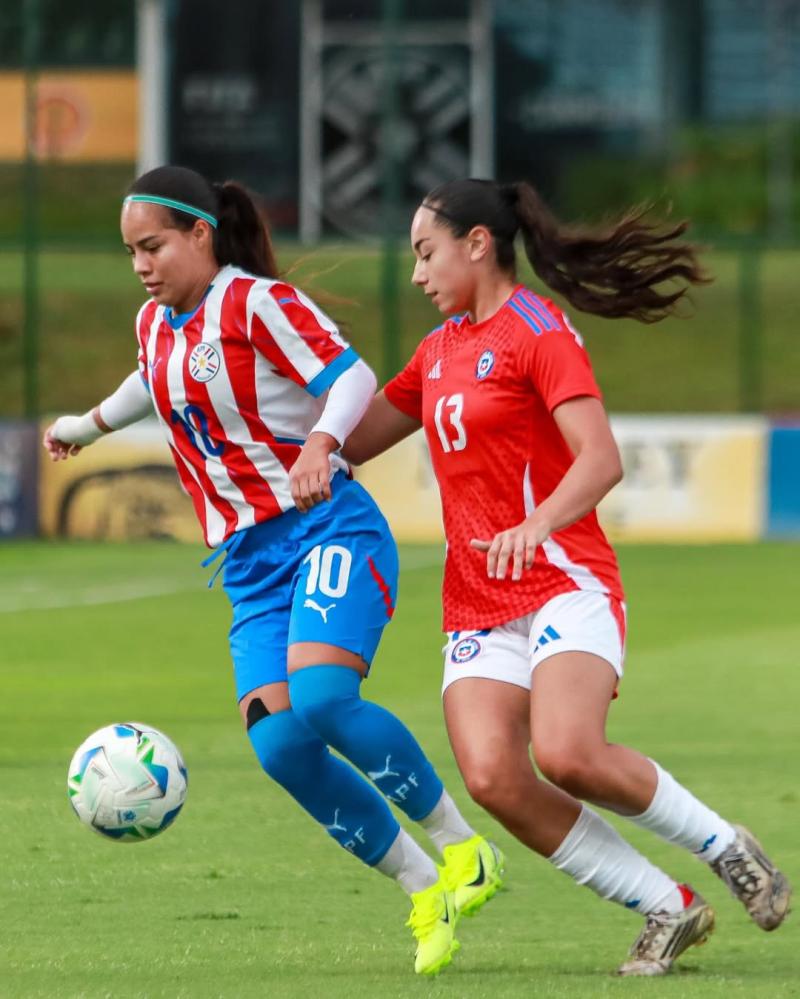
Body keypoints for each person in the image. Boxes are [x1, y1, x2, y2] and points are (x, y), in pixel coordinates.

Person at [42, 165, 506, 977]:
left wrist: (322, 444)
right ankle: (423, 886)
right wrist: (86, 424)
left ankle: (464, 847)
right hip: (250, 565)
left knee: (323, 698)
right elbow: (149, 380)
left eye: (153, 246)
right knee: (283, 745)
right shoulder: (155, 324)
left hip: (327, 528)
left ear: (200, 234)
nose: (142, 264)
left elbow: (352, 377)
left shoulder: (257, 303)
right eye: (131, 252)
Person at [341, 178, 791, 977]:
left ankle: (726, 846)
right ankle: (667, 904)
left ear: (478, 243)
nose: (417, 273)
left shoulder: (537, 331)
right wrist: (298, 431)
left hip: (562, 578)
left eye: (426, 252)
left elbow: (601, 457)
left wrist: (536, 523)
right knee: (492, 776)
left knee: (568, 751)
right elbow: (354, 437)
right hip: (477, 600)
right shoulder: (437, 350)